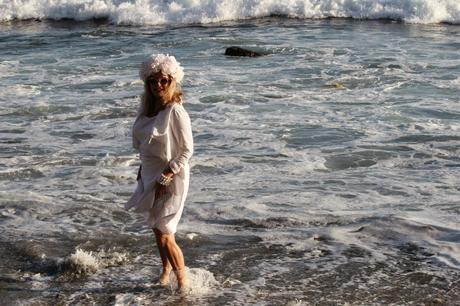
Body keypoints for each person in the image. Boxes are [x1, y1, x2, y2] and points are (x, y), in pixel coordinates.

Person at [125, 54, 193, 291]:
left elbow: (186, 150)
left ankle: (183, 281)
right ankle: (166, 269)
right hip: (149, 173)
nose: (158, 85)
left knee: (165, 231)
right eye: (153, 81)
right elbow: (143, 146)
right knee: (156, 228)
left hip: (171, 176)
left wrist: (168, 174)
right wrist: (142, 173)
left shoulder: (175, 110)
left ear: (171, 80)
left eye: (163, 80)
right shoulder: (146, 111)